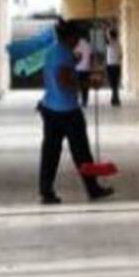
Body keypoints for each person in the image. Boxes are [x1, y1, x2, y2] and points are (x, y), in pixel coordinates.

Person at [37, 20, 114, 205]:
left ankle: (46, 191)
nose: (78, 42)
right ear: (69, 37)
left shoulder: (52, 51)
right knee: (81, 152)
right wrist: (89, 84)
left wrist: (75, 60)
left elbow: (55, 75)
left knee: (50, 153)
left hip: (50, 108)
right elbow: (63, 81)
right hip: (67, 112)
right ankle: (93, 188)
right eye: (76, 38)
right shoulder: (63, 54)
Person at [74, 31, 93, 107]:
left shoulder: (77, 45)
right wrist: (90, 65)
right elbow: (91, 56)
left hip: (78, 68)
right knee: (85, 86)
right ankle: (85, 101)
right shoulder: (88, 45)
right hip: (86, 69)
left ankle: (76, 100)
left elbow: (77, 55)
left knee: (77, 86)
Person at [106, 28, 123, 106]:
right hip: (117, 65)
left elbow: (105, 39)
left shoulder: (110, 42)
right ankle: (115, 99)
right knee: (115, 83)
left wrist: (105, 30)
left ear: (110, 35)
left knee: (112, 83)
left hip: (111, 65)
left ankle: (115, 99)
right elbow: (121, 55)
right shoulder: (119, 43)